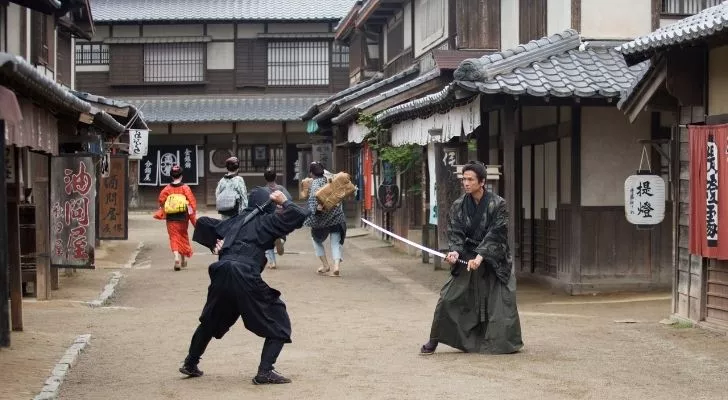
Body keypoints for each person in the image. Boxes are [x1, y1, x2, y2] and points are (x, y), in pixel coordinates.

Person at [180, 187, 311, 385]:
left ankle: (190, 363)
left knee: (211, 320)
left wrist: (215, 243)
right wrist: (284, 201)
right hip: (244, 273)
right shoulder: (267, 221)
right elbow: (299, 215)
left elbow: (203, 223)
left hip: (221, 271)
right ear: (269, 205)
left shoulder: (234, 221)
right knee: (279, 320)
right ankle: (265, 371)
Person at [420, 161, 523, 355]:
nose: (466, 183)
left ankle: (501, 342)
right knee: (448, 297)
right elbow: (456, 232)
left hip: (494, 255)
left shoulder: (498, 204)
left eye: (470, 179)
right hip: (467, 255)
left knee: (499, 302)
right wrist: (455, 252)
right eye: (464, 179)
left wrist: (481, 256)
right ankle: (435, 338)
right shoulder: (459, 205)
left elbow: (496, 233)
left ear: (482, 181)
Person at [304, 161, 346, 277]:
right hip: (336, 216)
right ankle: (336, 266)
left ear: (311, 173)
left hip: (321, 220)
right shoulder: (331, 179)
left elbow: (313, 205)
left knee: (316, 240)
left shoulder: (314, 184)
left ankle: (325, 265)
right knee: (335, 242)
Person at [154, 165, 197, 271]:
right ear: (181, 175)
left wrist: (163, 209)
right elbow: (192, 203)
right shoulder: (185, 188)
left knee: (174, 237)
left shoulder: (167, 189)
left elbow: (161, 200)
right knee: (182, 236)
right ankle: (183, 260)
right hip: (183, 217)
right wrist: (193, 218)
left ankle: (177, 258)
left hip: (171, 218)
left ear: (171, 176)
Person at [263, 168, 291, 269]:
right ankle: (281, 241)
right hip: (281, 216)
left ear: (265, 178)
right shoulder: (281, 189)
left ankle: (272, 262)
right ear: (275, 177)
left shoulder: (264, 191)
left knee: (268, 239)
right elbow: (289, 200)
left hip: (269, 218)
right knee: (281, 236)